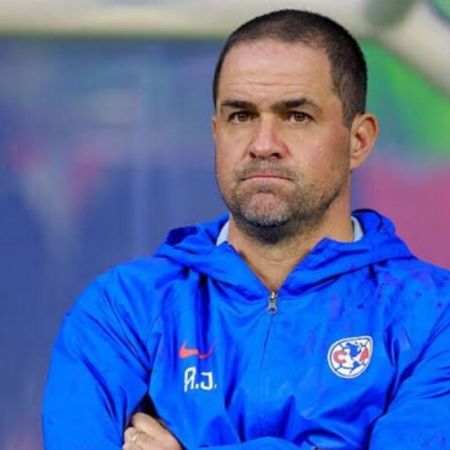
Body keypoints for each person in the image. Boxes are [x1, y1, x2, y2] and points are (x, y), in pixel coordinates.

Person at [42, 9, 450, 450]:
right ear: (216, 132)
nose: (263, 144)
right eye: (241, 116)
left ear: (359, 140)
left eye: (296, 116)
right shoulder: (123, 308)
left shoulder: (434, 316)